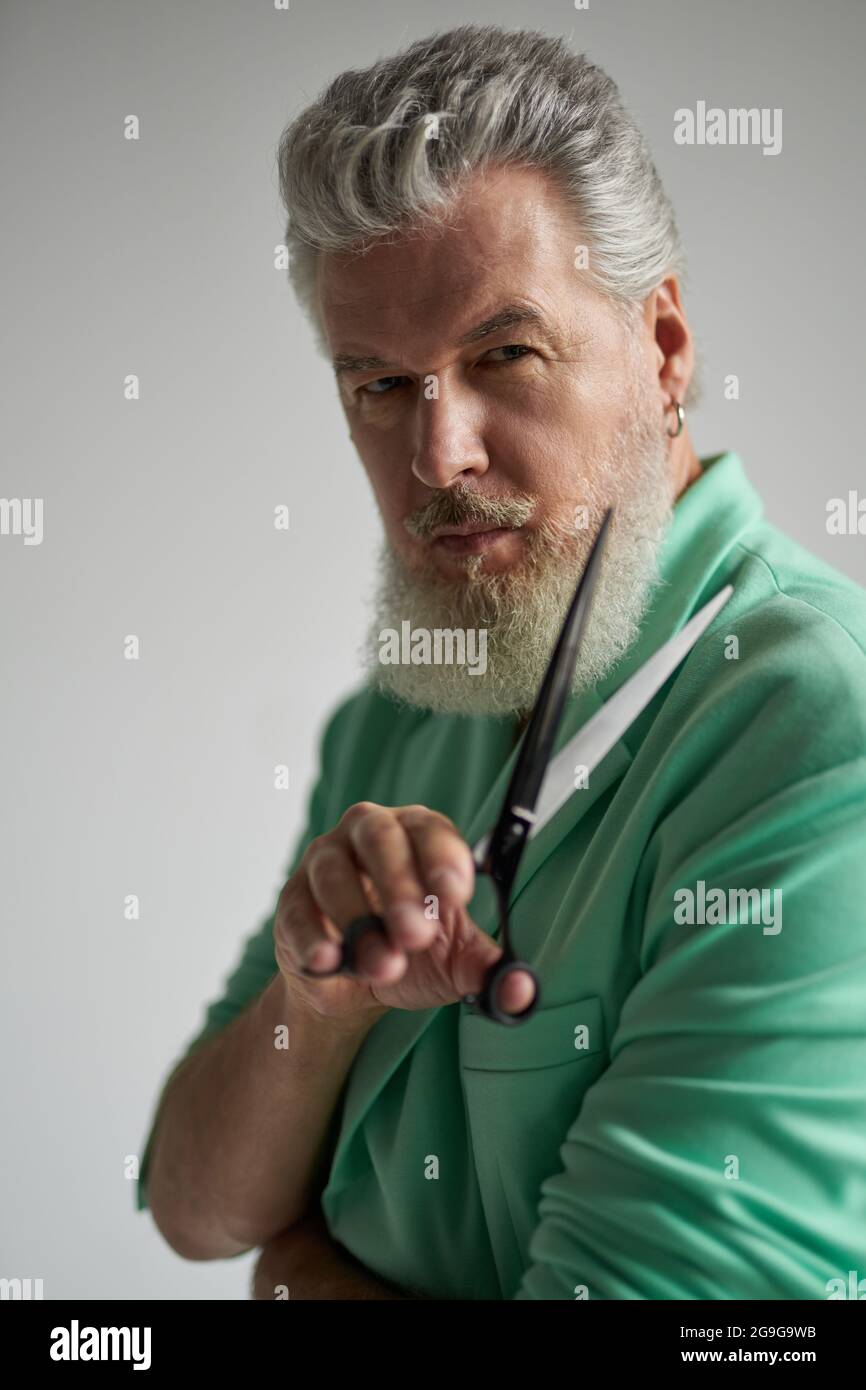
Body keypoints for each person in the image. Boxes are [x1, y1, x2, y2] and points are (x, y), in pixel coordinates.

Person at [136, 25, 866, 1300]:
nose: (438, 454)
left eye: (501, 356)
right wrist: (328, 1002)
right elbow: (196, 1203)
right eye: (378, 384)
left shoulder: (815, 731)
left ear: (664, 350)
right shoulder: (401, 713)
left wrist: (298, 1280)